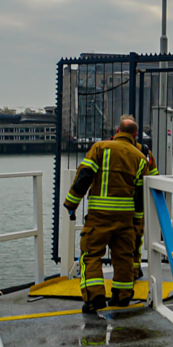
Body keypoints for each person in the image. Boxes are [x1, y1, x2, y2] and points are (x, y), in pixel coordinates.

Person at [63, 117, 148, 313]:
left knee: (91, 254)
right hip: (126, 217)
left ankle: (94, 298)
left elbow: (84, 176)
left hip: (100, 215)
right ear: (134, 135)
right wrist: (137, 221)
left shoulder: (100, 148)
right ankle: (122, 296)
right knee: (124, 256)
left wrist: (71, 203)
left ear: (117, 130)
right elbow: (139, 195)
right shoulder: (141, 158)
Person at [119, 114, 158, 280]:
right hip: (137, 203)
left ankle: (123, 273)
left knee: (117, 241)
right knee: (135, 239)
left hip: (115, 203)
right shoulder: (144, 152)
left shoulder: (106, 148)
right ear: (135, 134)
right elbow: (154, 177)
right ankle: (134, 270)